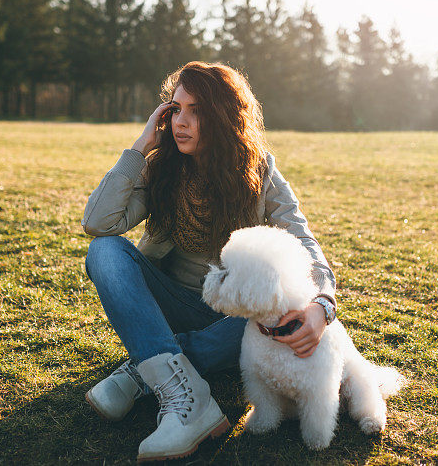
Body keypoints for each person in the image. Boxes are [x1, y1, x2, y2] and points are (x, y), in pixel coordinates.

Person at [80, 61, 337, 462]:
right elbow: (98, 223)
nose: (182, 122)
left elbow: (305, 242)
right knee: (105, 252)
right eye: (176, 109)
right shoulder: (161, 167)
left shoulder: (259, 171)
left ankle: (143, 372)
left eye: (197, 111)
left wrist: (322, 305)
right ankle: (184, 394)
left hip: (232, 320)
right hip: (169, 306)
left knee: (269, 317)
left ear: (223, 117)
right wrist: (138, 148)